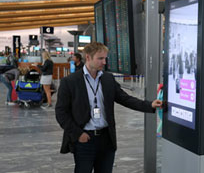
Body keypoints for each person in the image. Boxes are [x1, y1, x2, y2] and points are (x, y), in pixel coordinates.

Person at [55, 42, 162, 173]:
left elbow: (125, 99)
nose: (104, 62)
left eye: (105, 58)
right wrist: (78, 134)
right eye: (100, 58)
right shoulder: (70, 81)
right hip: (84, 139)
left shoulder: (107, 79)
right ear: (88, 57)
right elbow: (61, 113)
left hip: (106, 139)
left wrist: (149, 105)